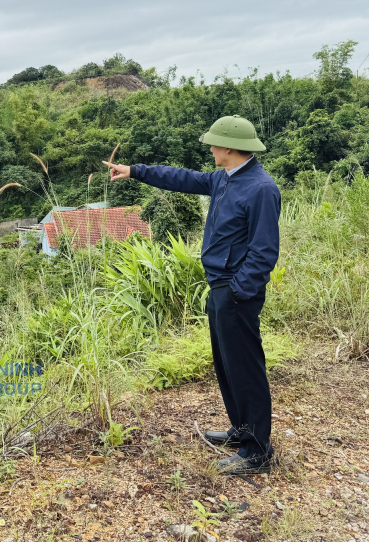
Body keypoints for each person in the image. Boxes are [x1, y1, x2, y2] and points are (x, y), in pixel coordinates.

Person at [104, 115, 281, 475]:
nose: (211, 148)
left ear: (230, 147)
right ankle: (241, 431)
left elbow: (264, 251)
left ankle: (258, 451)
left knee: (246, 368)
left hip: (236, 291)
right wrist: (135, 170)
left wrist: (237, 291)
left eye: (214, 143)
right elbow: (182, 178)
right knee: (228, 365)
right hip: (220, 287)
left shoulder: (260, 188)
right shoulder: (224, 179)